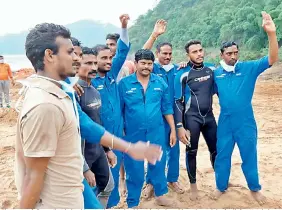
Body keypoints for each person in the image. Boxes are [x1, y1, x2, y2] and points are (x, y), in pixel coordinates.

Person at [14, 22, 163, 209]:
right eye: (70, 52)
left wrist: (129, 147)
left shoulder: (62, 92)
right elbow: (32, 176)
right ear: (49, 55)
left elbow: (87, 126)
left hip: (74, 187)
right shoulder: (45, 105)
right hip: (58, 202)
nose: (77, 58)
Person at [213, 11, 279, 205]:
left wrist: (271, 34)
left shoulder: (249, 68)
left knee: (249, 154)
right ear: (221, 55)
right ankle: (220, 186)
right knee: (222, 154)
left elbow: (272, 58)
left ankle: (254, 188)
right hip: (225, 121)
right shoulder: (215, 74)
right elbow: (196, 74)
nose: (233, 56)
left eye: (235, 53)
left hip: (246, 121)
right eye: (229, 54)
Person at [119, 49, 177, 208]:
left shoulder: (160, 83)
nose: (146, 67)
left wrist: (172, 129)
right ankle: (133, 202)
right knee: (134, 170)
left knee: (158, 164)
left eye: (150, 64)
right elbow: (120, 111)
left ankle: (160, 195)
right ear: (136, 63)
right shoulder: (124, 84)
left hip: (156, 131)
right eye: (143, 63)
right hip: (132, 133)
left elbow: (167, 108)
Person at [92, 14, 131, 208]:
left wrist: (123, 26)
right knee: (100, 181)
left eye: (110, 57)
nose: (109, 61)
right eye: (104, 58)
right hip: (98, 140)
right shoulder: (87, 82)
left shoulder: (111, 75)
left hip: (117, 136)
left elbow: (123, 51)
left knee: (113, 179)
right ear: (93, 60)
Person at [142, 19, 184, 196]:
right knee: (156, 151)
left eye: (170, 54)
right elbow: (142, 53)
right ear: (157, 53)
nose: (167, 57)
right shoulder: (152, 69)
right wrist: (155, 35)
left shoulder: (177, 69)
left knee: (174, 150)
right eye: (164, 53)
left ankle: (172, 179)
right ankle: (150, 182)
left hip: (174, 117)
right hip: (156, 118)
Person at [174, 39, 218, 200]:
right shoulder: (182, 73)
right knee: (191, 152)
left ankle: (219, 183)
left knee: (216, 151)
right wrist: (180, 125)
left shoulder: (212, 69)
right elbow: (178, 101)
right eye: (194, 51)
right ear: (188, 55)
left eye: (200, 50)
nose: (199, 54)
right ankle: (193, 186)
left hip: (210, 117)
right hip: (192, 119)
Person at [76, 46, 115, 207]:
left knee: (108, 187)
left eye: (94, 63)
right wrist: (84, 168)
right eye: (88, 63)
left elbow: (98, 123)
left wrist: (107, 149)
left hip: (98, 150)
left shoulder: (94, 91)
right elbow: (74, 132)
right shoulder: (74, 92)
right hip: (83, 153)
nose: (93, 67)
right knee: (82, 197)